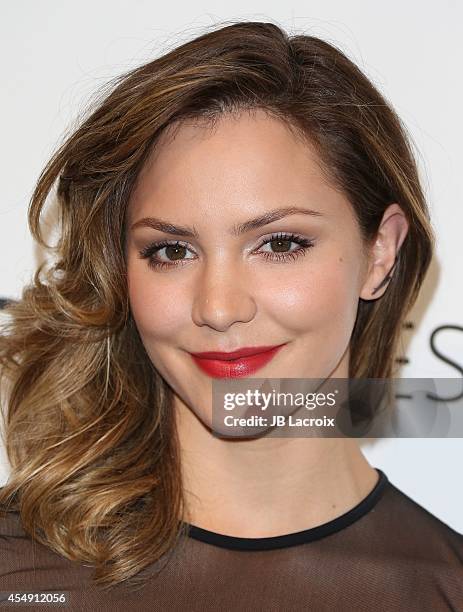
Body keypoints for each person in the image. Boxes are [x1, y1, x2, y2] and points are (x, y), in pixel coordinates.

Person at [0, 20, 461, 611]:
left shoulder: (444, 589)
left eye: (279, 244)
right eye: (171, 251)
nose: (218, 308)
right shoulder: (18, 572)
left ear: (381, 252)